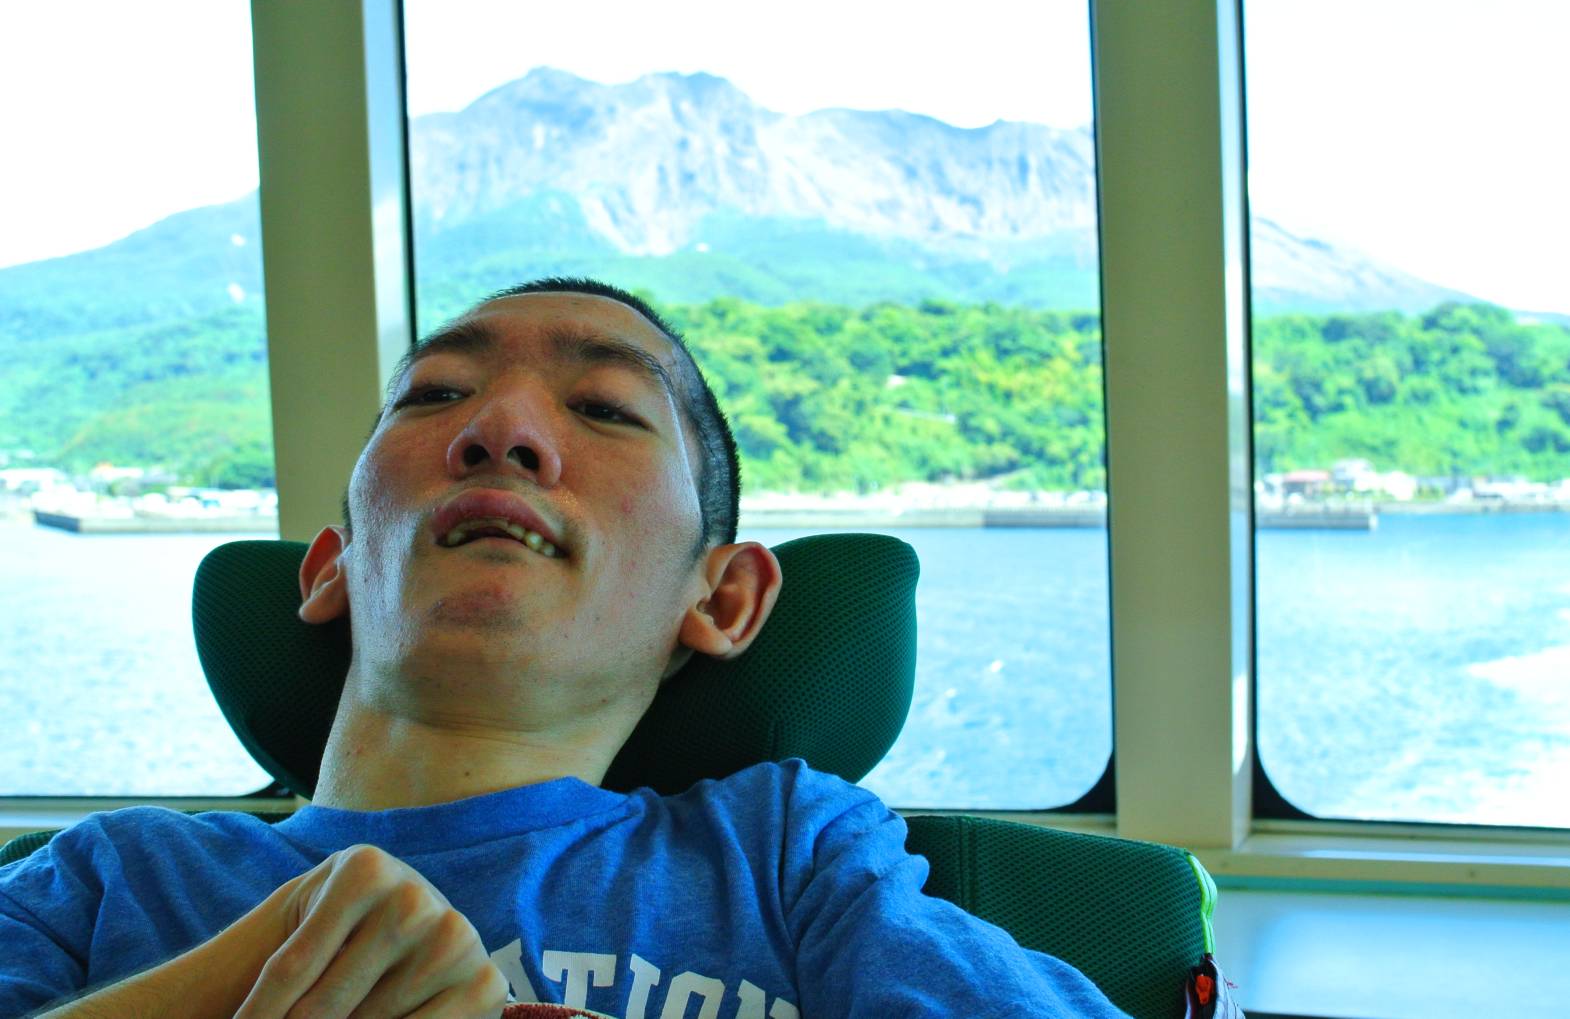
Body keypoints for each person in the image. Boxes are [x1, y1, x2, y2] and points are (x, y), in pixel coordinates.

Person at [0, 277, 1130, 1018]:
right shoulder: (104, 879)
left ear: (724, 596)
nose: (501, 430)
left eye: (605, 408)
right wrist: (242, 980)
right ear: (330, 570)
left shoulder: (790, 858)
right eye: (436, 394)